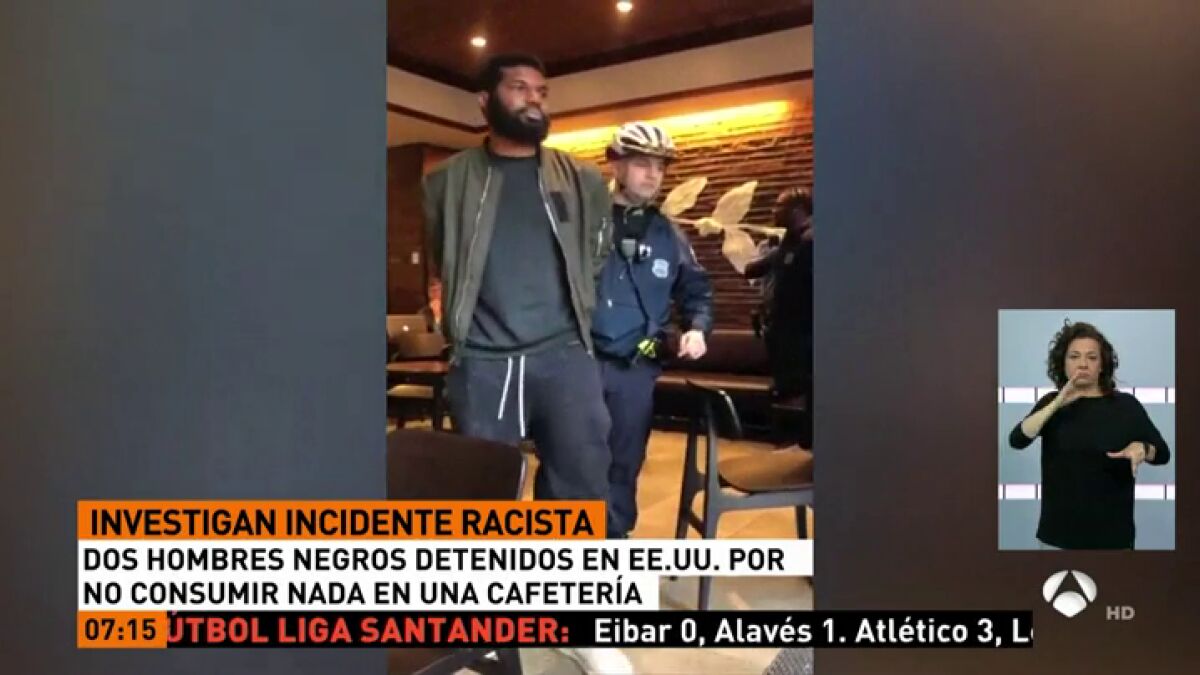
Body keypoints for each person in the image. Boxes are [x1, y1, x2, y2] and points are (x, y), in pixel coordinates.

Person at [421, 53, 615, 509]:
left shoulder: (581, 179)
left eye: (541, 92)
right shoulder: (446, 181)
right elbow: (442, 254)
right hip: (483, 359)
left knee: (581, 485)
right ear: (485, 101)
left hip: (565, 353)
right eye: (519, 88)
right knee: (483, 490)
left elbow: (597, 250)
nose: (534, 99)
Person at [591, 121, 713, 538]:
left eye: (660, 167)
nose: (653, 174)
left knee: (624, 461)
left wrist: (697, 327)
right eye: (642, 163)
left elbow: (697, 292)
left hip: (637, 365)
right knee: (570, 459)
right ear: (616, 165)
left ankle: (613, 541)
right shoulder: (586, 223)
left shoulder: (669, 235)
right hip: (578, 362)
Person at [1009, 320, 1171, 550]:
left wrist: (1143, 449)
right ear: (1063, 363)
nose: (1083, 364)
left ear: (1102, 365)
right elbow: (1017, 440)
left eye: (1092, 357)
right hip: (1057, 539)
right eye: (1074, 357)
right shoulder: (1051, 405)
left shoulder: (1126, 406)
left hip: (1114, 540)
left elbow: (1163, 454)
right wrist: (1057, 403)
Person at [744, 187, 813, 444]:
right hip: (784, 332)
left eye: (780, 206)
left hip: (805, 335)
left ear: (798, 210)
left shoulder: (812, 241)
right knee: (788, 388)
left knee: (806, 389)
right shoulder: (788, 243)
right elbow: (755, 270)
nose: (774, 211)